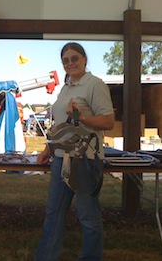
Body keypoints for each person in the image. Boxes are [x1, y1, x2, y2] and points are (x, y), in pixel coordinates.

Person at [34, 42, 115, 261]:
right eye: (66, 60)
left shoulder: (95, 85)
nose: (70, 63)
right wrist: (48, 149)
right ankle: (46, 257)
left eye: (74, 58)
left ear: (85, 59)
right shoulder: (66, 87)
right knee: (54, 213)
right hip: (61, 158)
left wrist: (82, 117)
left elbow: (108, 121)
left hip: (86, 159)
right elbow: (63, 124)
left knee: (87, 216)